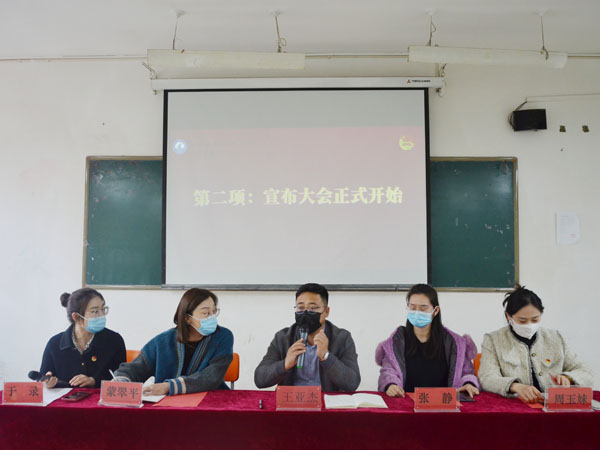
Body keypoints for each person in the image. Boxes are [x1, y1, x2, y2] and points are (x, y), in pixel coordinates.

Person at [479, 285, 593, 402]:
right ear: (508, 316)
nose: (529, 325)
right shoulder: (493, 340)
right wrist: (515, 386)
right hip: (516, 405)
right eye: (522, 320)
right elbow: (487, 377)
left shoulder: (556, 338)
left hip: (554, 404)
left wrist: (568, 378)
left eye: (535, 319)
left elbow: (585, 371)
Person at [114, 288, 233, 396]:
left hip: (211, 400)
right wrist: (122, 380)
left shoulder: (223, 337)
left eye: (214, 311)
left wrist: (169, 387)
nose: (212, 317)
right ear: (187, 318)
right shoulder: (162, 341)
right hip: (168, 403)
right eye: (206, 313)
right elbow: (135, 368)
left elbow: (211, 377)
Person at [375, 284, 480, 398]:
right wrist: (391, 385)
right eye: (412, 308)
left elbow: (466, 373)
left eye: (423, 308)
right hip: (407, 403)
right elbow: (388, 372)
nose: (417, 312)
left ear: (436, 310)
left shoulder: (455, 343)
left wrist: (468, 384)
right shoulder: (396, 342)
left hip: (444, 404)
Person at [254, 283, 360, 391]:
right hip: (292, 398)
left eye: (313, 308)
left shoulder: (342, 338)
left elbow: (352, 383)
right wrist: (285, 364)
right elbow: (260, 379)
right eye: (300, 308)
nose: (305, 313)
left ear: (326, 312)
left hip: (325, 399)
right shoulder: (283, 338)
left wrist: (327, 357)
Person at [40, 288, 126, 388]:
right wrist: (47, 383)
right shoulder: (55, 344)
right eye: (95, 311)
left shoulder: (114, 341)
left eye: (103, 309)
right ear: (76, 317)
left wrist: (94, 381)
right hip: (64, 398)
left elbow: (122, 379)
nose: (101, 315)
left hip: (100, 397)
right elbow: (42, 379)